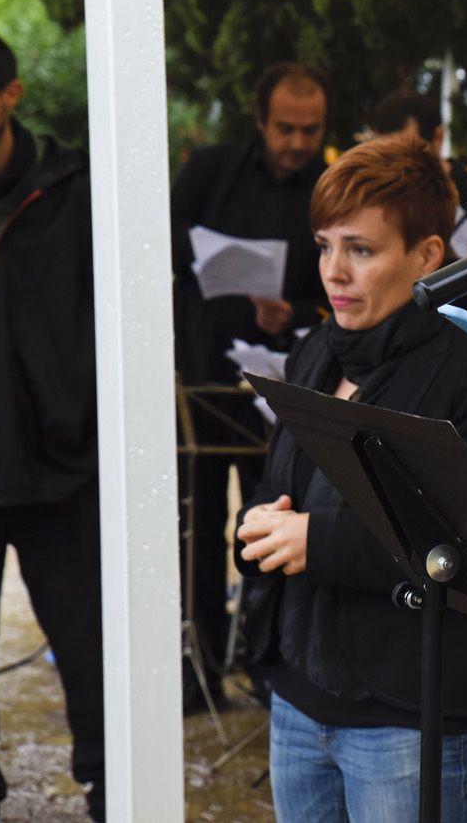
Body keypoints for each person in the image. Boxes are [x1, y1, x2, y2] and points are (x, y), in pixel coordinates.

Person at [233, 136, 467, 822]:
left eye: (361, 249)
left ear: (427, 254)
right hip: (299, 691)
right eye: (326, 244)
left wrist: (316, 539)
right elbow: (285, 483)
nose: (335, 270)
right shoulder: (315, 347)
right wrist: (262, 522)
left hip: (415, 710)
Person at [0, 27, 106, 822]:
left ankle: (119, 792)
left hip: (62, 468)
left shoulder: (78, 186)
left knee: (94, 658)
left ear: (10, 94)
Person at [171, 61, 331, 710]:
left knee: (273, 521)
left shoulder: (327, 184)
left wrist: (291, 309)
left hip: (286, 389)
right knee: (197, 527)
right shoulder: (210, 172)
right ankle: (200, 667)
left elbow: (341, 284)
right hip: (205, 380)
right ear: (260, 122)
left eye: (311, 129)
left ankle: (272, 665)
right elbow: (167, 253)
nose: (297, 141)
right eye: (286, 128)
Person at [364, 86, 467, 253]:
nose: (394, 165)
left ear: (438, 137)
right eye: (384, 156)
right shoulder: (373, 204)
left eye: (406, 153)